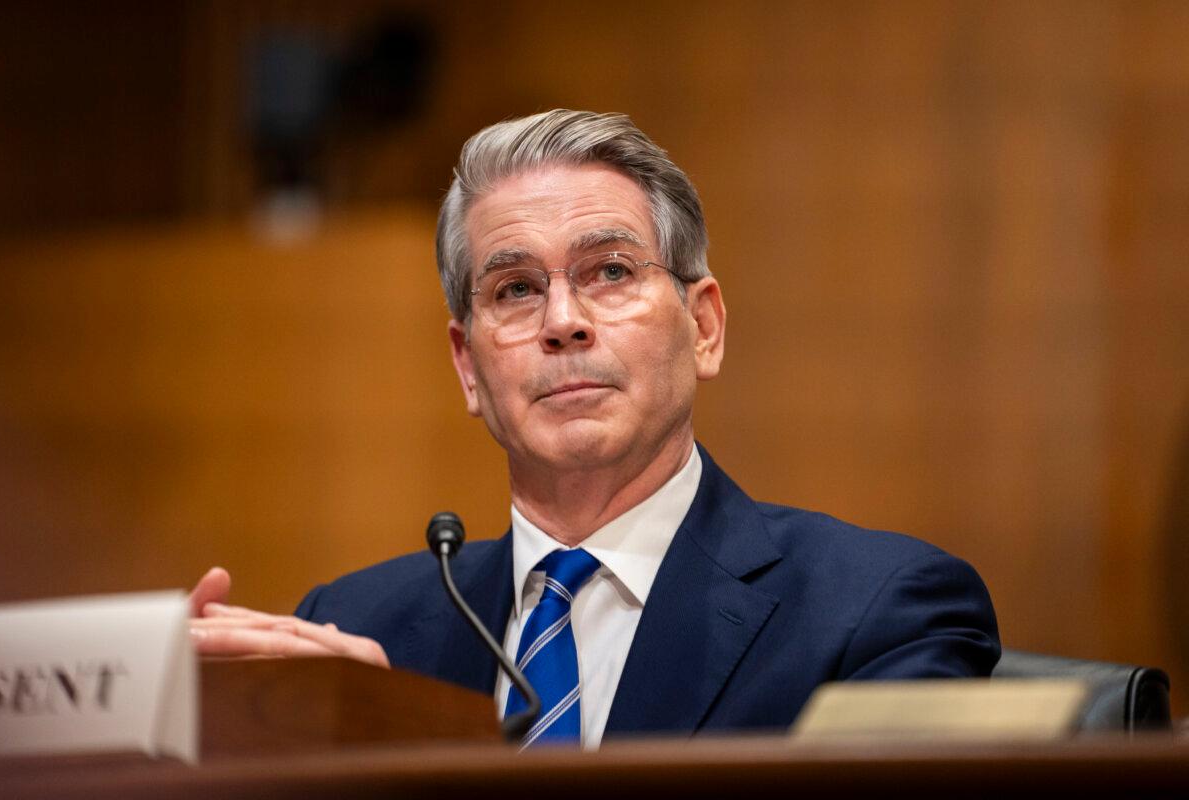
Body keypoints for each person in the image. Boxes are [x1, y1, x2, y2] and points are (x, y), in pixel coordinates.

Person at [190, 109, 1000, 748]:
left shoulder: (880, 614)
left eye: (610, 272)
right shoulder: (357, 628)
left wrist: (413, 753)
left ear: (704, 327)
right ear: (468, 366)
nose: (562, 322)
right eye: (514, 289)